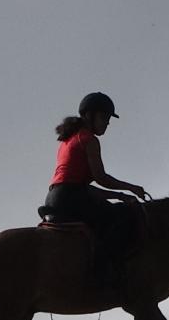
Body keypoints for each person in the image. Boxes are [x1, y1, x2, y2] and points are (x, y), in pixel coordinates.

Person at [44, 92, 151, 282]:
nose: (107, 123)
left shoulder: (69, 140)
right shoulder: (88, 140)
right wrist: (131, 188)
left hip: (57, 196)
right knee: (121, 219)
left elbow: (84, 189)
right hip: (71, 198)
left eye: (108, 119)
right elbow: (100, 178)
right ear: (89, 115)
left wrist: (119, 195)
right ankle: (103, 274)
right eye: (104, 117)